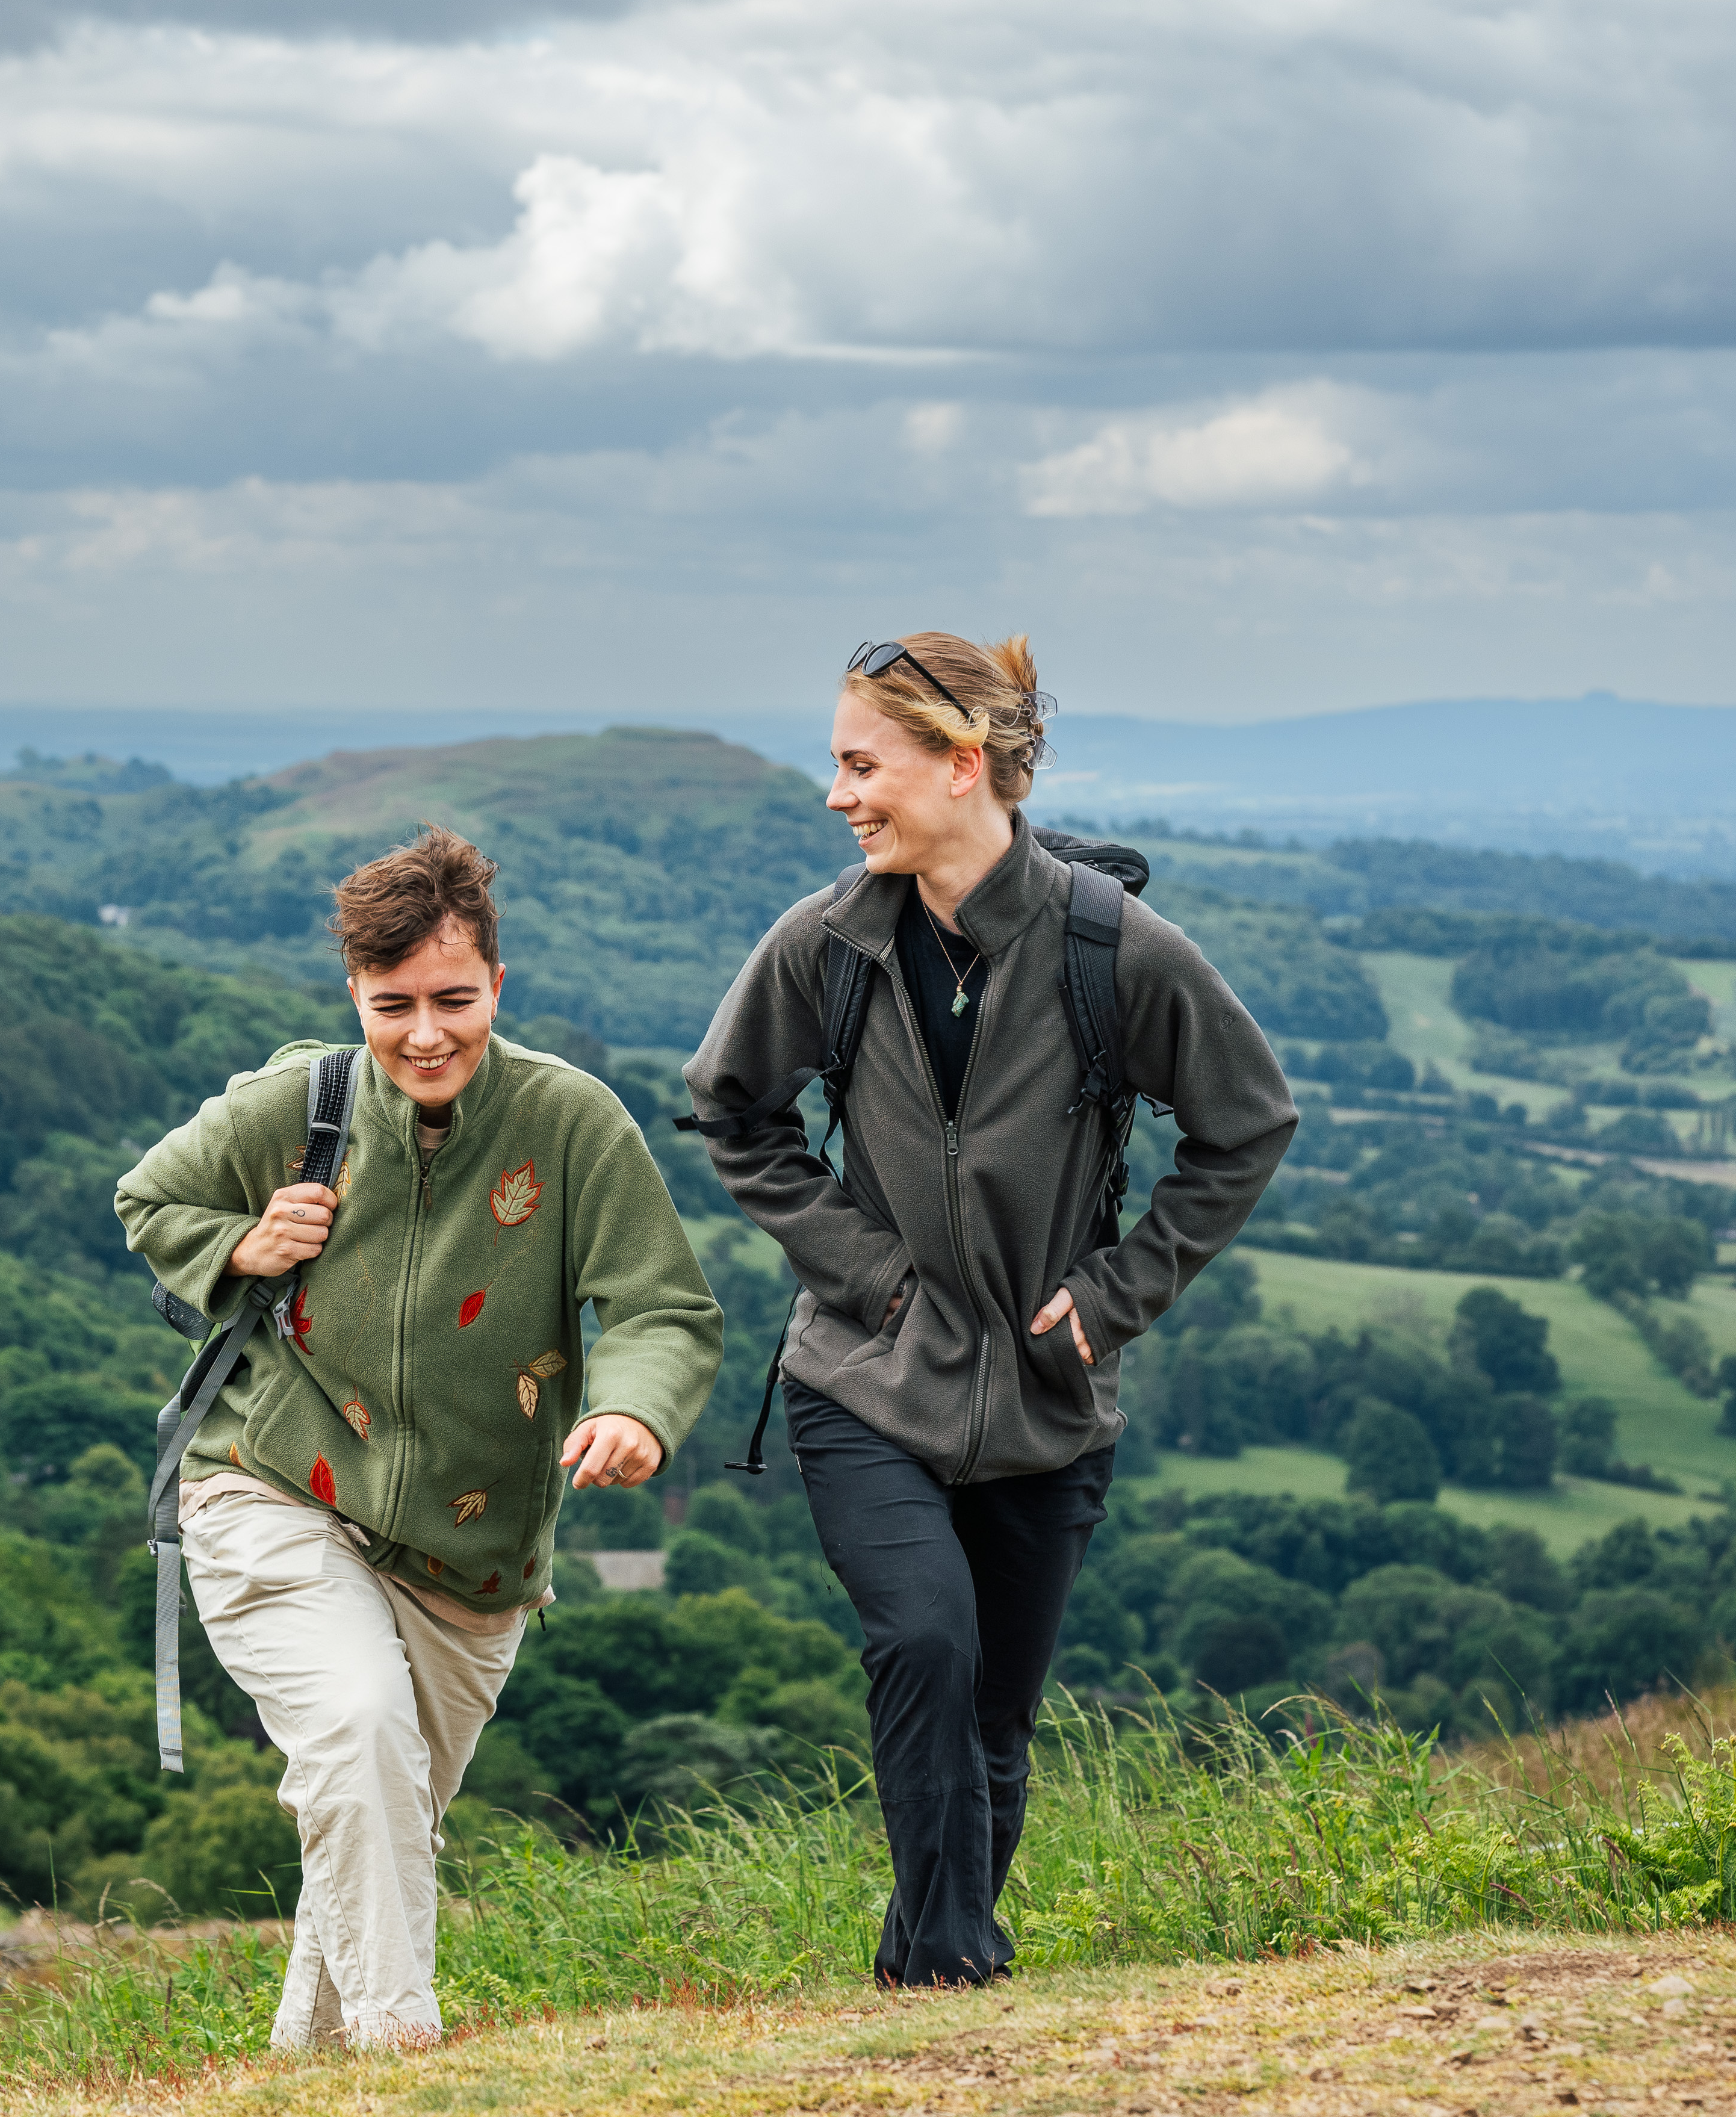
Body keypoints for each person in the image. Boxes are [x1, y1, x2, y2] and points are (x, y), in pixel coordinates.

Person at [680, 633, 1295, 1989]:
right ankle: (956, 1961)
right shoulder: (828, 941)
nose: (839, 793)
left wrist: (1118, 1292)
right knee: (924, 1641)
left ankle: (918, 1968)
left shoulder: (1108, 948)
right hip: (860, 1378)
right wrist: (866, 1272)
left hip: (1046, 1400)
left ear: (961, 767)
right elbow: (730, 1109)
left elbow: (1244, 1126)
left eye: (861, 763)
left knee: (996, 1723)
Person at [117, 826, 723, 2052]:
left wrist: (629, 1408)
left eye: (453, 999)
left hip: (470, 1559)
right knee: (353, 1729)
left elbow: (659, 1304)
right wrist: (239, 1245)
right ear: (354, 995)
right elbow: (149, 1196)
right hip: (268, 1482)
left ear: (498, 984)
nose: (425, 1032)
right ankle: (404, 2050)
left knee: (377, 1812)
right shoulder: (300, 1103)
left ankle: (309, 2070)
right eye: (392, 1004)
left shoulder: (570, 1122)